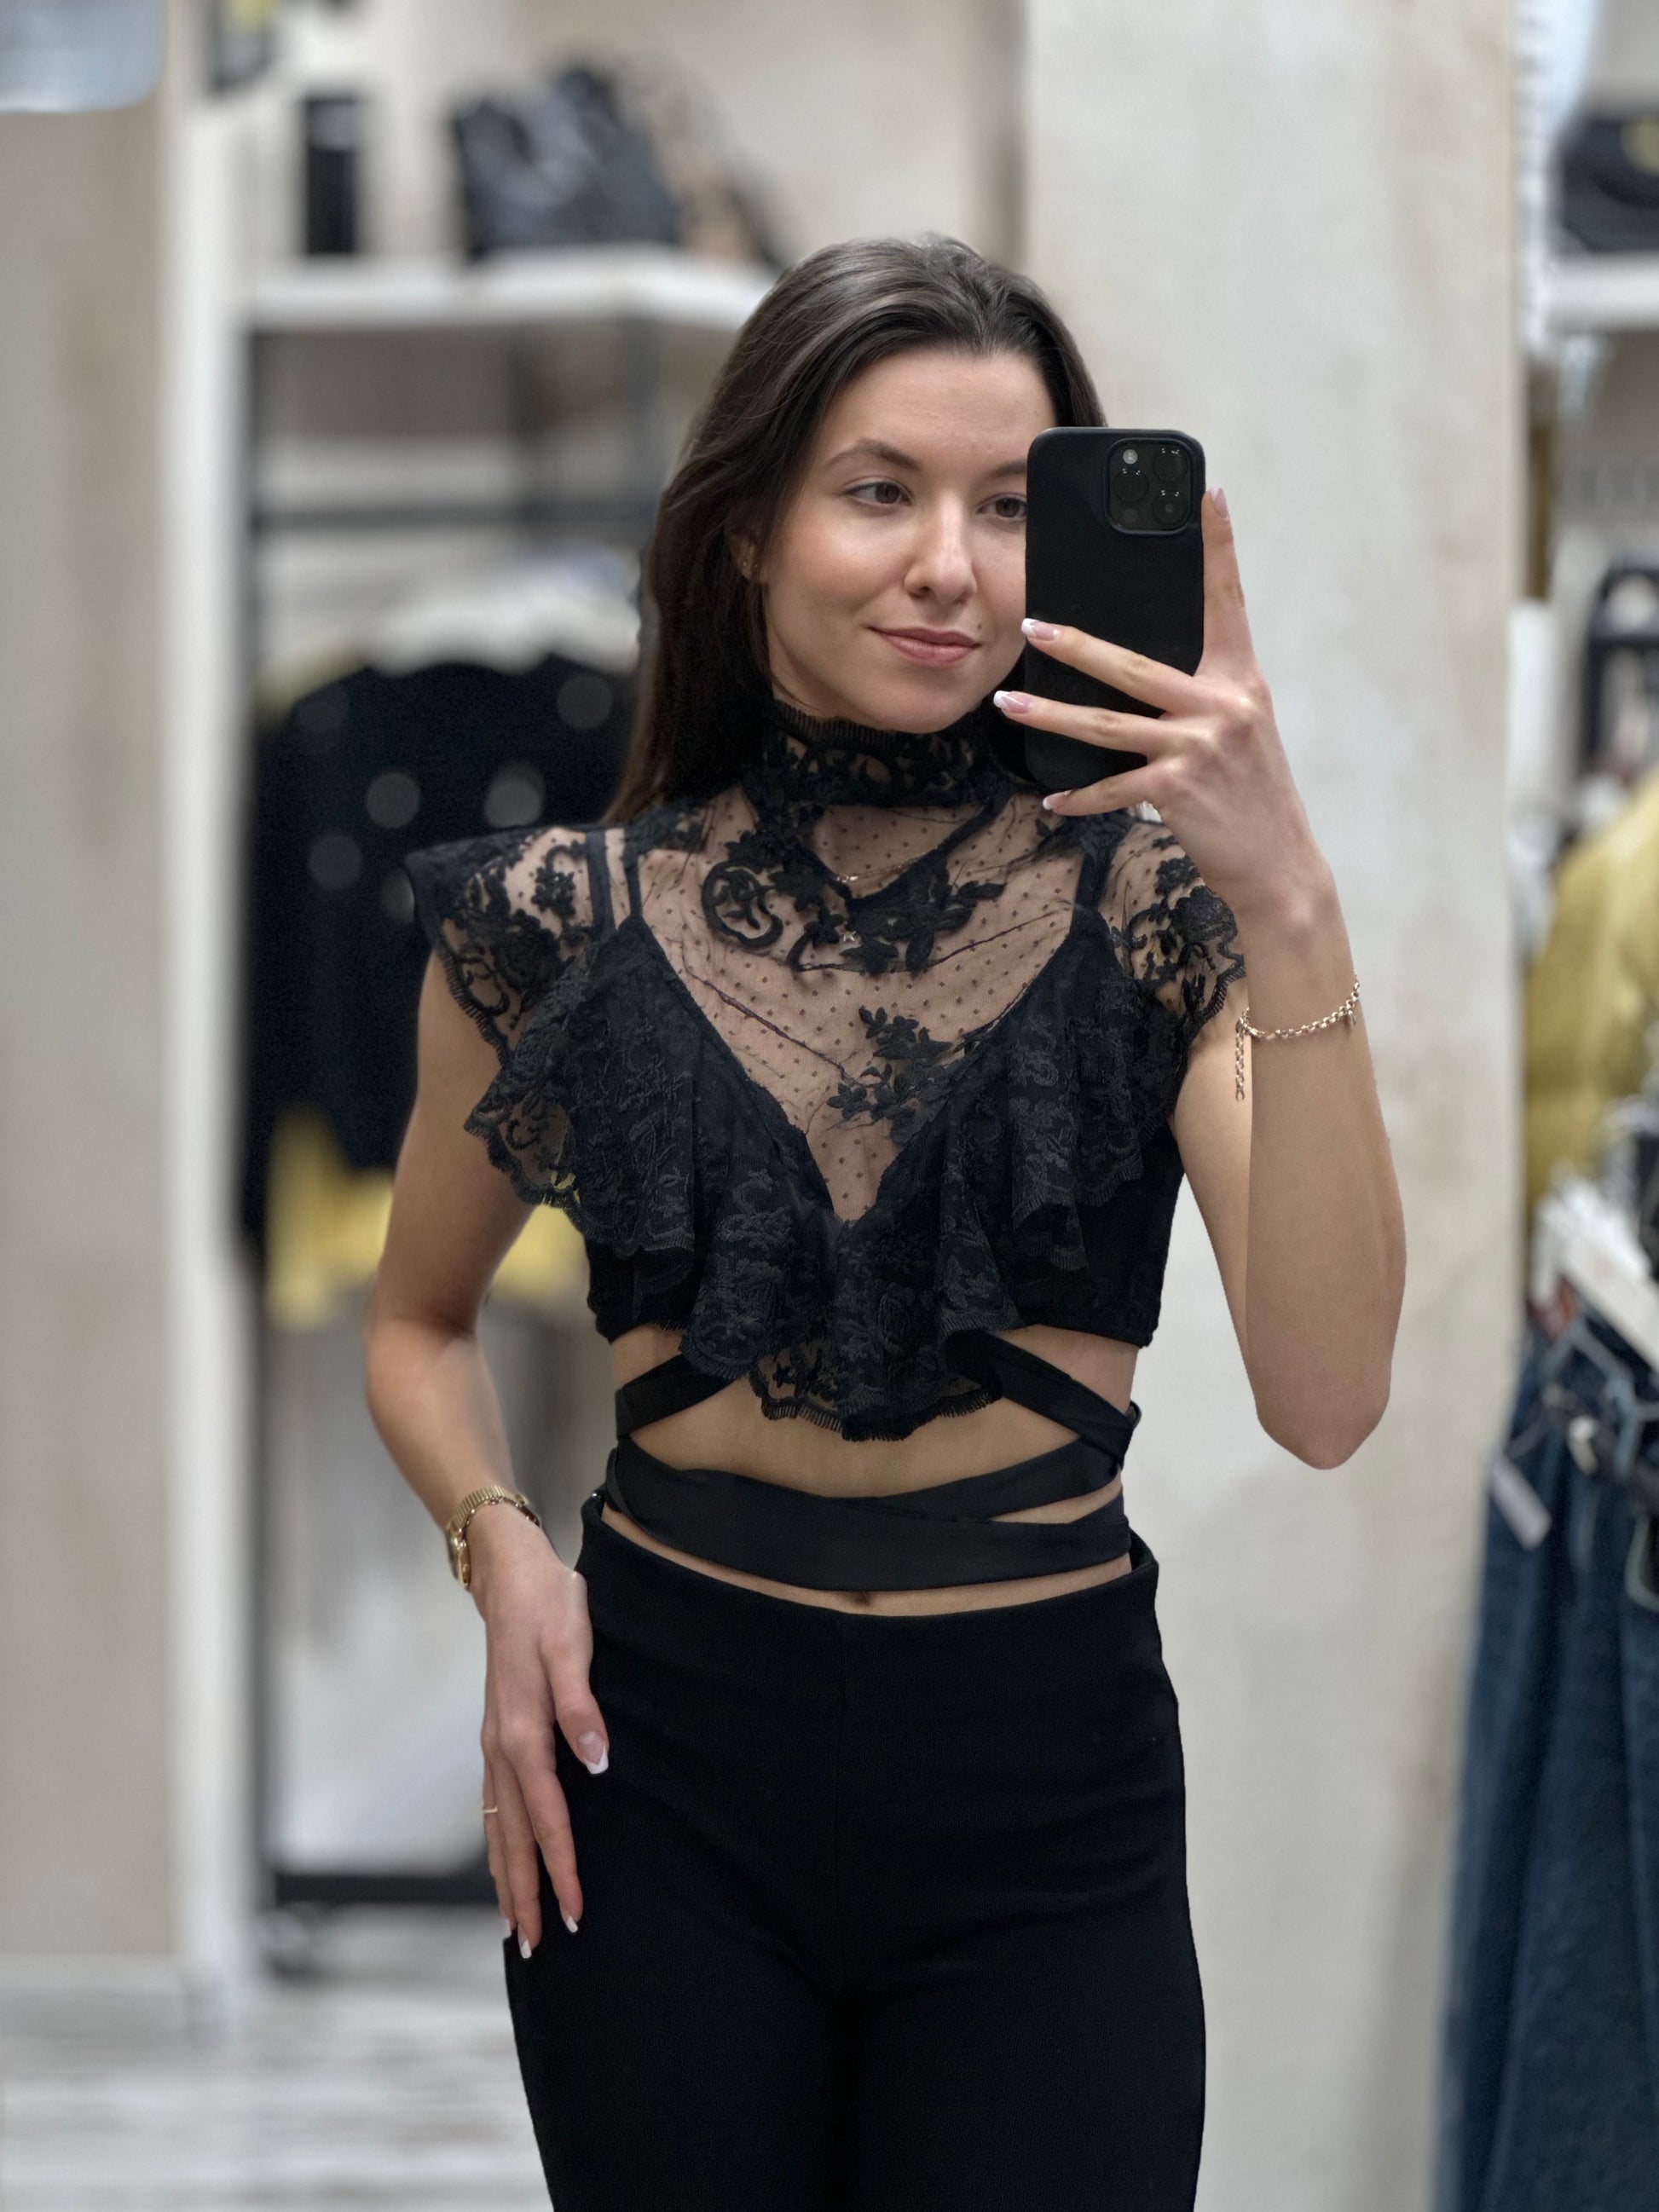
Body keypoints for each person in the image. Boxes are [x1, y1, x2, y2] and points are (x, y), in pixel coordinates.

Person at [364, 233, 1404, 2211]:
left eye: (1008, 507)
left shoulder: (1158, 917)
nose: (949, 564)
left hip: (1046, 1800)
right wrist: (499, 1548)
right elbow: (413, 1321)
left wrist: (1291, 897)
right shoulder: (555, 919)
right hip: (657, 1783)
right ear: (745, 527)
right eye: (878, 491)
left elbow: (1330, 1393)